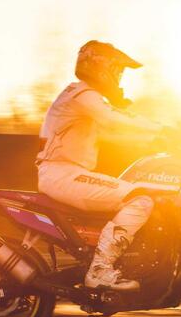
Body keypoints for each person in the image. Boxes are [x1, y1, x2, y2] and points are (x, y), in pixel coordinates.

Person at [35, 40, 166, 292]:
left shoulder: (84, 97)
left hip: (66, 173)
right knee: (139, 198)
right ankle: (99, 271)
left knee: (137, 193)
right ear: (101, 66)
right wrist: (164, 129)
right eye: (118, 71)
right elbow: (113, 119)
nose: (119, 78)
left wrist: (155, 139)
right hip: (62, 175)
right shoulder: (83, 94)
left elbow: (114, 130)